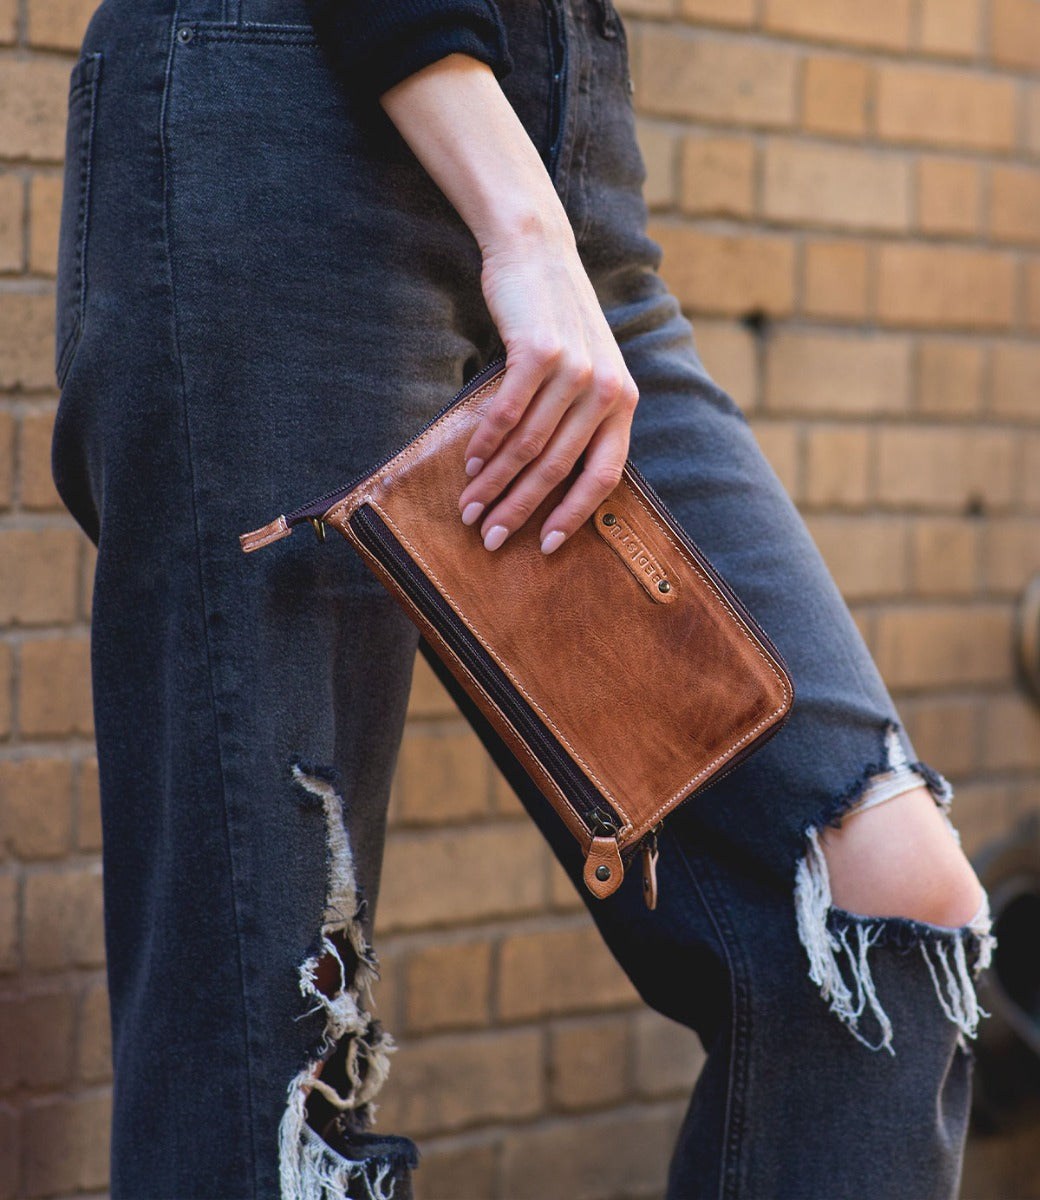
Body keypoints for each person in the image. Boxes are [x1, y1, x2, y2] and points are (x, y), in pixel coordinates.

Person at [51, 1, 993, 1196]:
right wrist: (523, 229)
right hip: (290, 117)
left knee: (880, 913)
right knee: (272, 1062)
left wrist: (541, 223)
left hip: (563, 154)